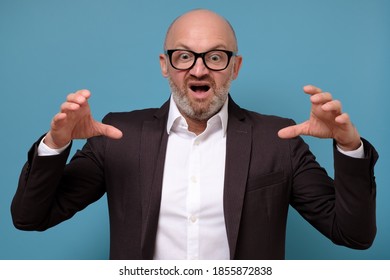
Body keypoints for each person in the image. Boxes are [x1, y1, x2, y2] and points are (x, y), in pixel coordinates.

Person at [11, 9, 378, 260]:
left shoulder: (277, 140)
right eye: (184, 56)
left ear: (234, 67)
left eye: (215, 57)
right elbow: (31, 217)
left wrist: (347, 147)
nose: (199, 69)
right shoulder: (119, 134)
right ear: (165, 66)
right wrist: (56, 144)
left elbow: (353, 235)